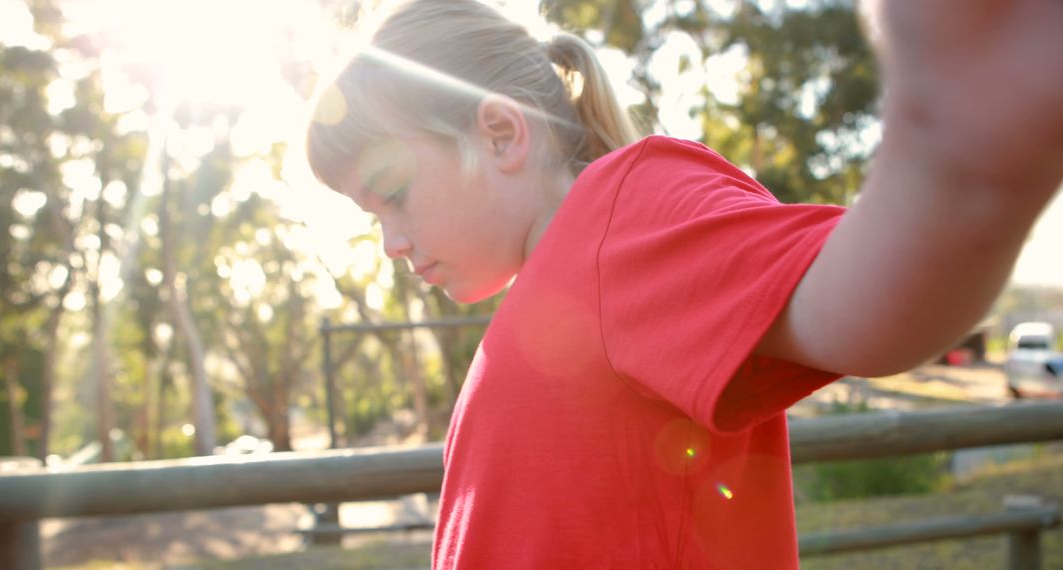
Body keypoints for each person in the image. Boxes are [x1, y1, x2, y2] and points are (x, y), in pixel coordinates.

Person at [304, 0, 1063, 567]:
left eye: (393, 193)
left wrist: (959, 158)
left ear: (500, 133)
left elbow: (858, 305)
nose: (392, 242)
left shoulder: (622, 220)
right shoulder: (554, 288)